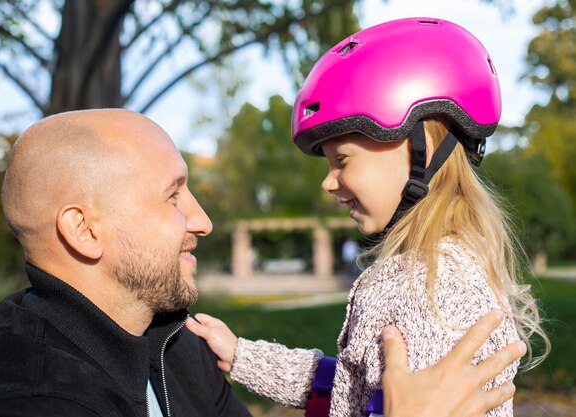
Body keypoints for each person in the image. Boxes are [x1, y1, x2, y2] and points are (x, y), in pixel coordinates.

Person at [0, 109, 524, 417]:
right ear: (84, 229)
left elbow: (347, 391)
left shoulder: (172, 341)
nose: (203, 221)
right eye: (173, 196)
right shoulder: (34, 400)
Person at [186, 17, 549, 417]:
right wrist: (242, 356)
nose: (328, 183)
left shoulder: (434, 287)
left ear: (420, 147)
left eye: (341, 160)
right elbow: (352, 388)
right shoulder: (426, 269)